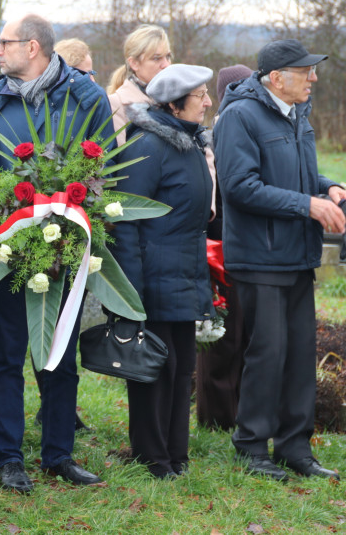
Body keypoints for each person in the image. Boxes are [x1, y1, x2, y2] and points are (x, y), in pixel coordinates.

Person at [0, 13, 112, 493]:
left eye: (4, 43)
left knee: (59, 353)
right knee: (8, 352)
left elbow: (102, 165)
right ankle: (9, 457)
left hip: (66, 242)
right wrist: (10, 202)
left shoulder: (86, 96)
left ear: (32, 47)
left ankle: (58, 455)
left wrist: (68, 214)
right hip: (11, 242)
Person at [214, 39, 346, 481]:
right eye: (305, 71)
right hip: (259, 256)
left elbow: (300, 175)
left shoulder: (297, 113)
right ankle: (251, 446)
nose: (314, 78)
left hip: (297, 255)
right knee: (267, 354)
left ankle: (295, 448)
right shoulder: (239, 116)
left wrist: (327, 187)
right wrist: (308, 206)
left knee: (298, 354)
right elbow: (240, 187)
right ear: (276, 78)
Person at [111, 64, 214, 478]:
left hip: (184, 273)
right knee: (153, 368)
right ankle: (152, 456)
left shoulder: (188, 142)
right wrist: (130, 291)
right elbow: (126, 219)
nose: (208, 102)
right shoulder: (148, 147)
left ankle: (177, 453)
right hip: (151, 278)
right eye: (200, 96)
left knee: (181, 365)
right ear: (174, 104)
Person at [195, 64, 253, 431]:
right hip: (218, 249)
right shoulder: (214, 139)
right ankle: (216, 417)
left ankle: (236, 411)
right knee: (220, 339)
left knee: (242, 335)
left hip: (243, 247)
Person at [107, 24, 172, 145]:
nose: (166, 64)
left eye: (168, 56)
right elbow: (120, 157)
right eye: (156, 58)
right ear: (134, 63)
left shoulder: (178, 97)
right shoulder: (117, 103)